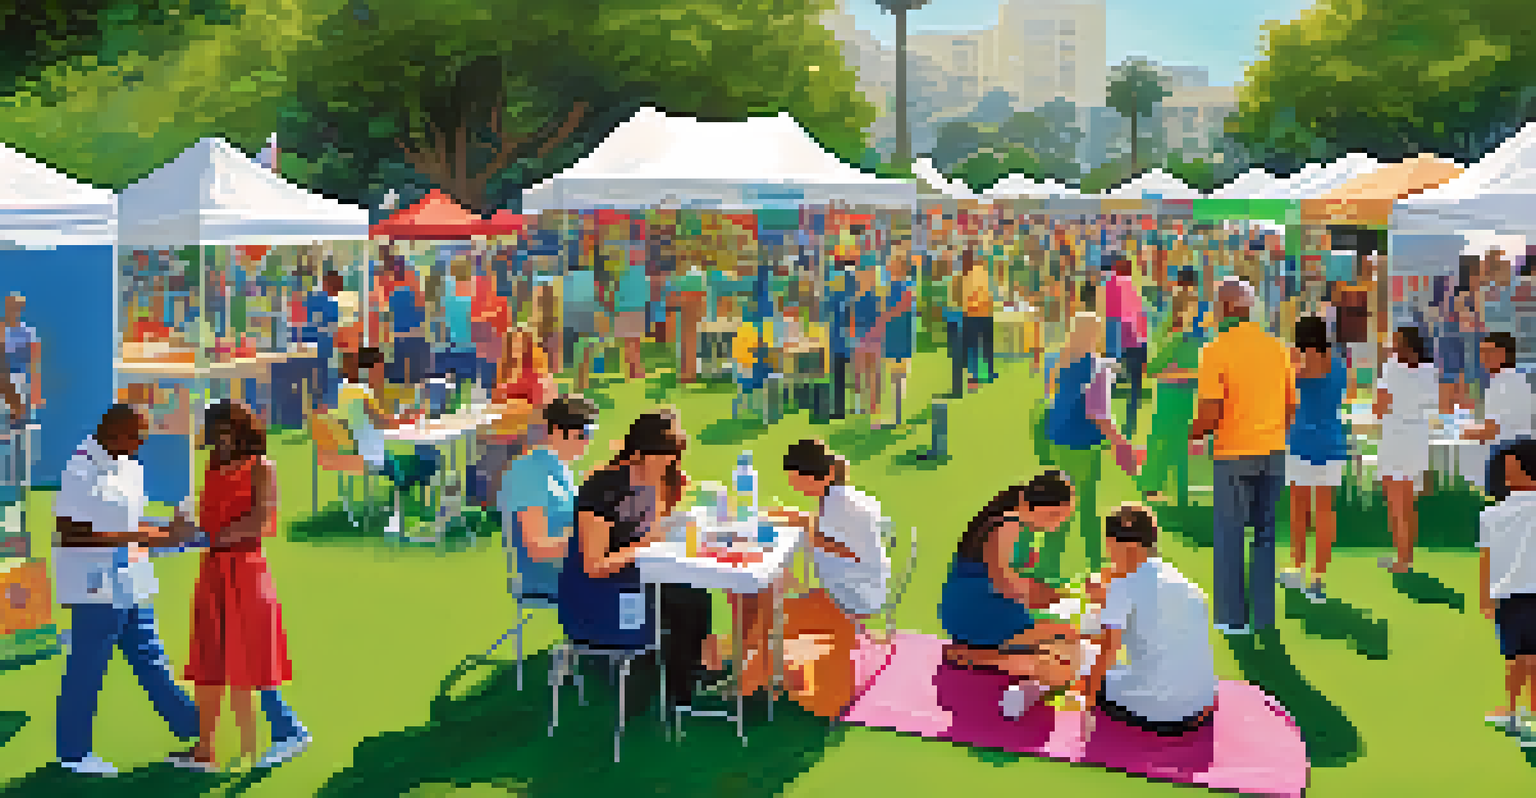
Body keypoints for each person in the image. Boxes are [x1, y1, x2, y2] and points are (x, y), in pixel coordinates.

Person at [51, 406, 200, 775]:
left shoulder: (131, 465)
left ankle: (199, 729)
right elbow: (69, 534)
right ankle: (73, 754)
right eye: (136, 436)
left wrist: (171, 528)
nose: (140, 444)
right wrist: (143, 535)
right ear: (113, 433)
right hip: (94, 586)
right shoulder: (80, 469)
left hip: (132, 578)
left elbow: (131, 521)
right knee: (87, 669)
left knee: (152, 661)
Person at [558, 410, 715, 713]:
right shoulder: (603, 490)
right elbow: (594, 565)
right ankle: (679, 694)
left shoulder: (653, 481)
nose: (672, 463)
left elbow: (650, 530)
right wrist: (645, 544)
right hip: (600, 592)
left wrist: (669, 499)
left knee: (695, 595)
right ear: (639, 452)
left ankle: (686, 679)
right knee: (688, 601)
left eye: (676, 456)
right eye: (666, 455)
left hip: (634, 575)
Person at [171, 401, 296, 772]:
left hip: (245, 570)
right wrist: (184, 528)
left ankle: (268, 741)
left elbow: (260, 522)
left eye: (226, 431)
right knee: (208, 660)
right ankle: (205, 750)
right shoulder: (211, 466)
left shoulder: (261, 468)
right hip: (212, 571)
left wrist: (213, 537)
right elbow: (203, 515)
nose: (220, 440)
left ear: (242, 430)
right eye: (215, 432)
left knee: (250, 662)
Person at [728, 440, 892, 717]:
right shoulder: (839, 496)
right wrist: (799, 519)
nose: (797, 489)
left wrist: (796, 527)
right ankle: (753, 671)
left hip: (849, 596)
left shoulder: (840, 503)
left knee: (766, 610)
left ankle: (747, 684)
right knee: (760, 600)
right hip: (858, 587)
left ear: (823, 476)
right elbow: (828, 531)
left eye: (801, 482)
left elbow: (836, 546)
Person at [939, 472, 1095, 720]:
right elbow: (1006, 585)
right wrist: (1050, 596)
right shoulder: (1009, 525)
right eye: (1057, 515)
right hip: (980, 613)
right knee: (1071, 650)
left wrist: (1050, 591)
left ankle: (978, 654)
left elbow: (1005, 576)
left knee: (1068, 645)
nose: (1060, 523)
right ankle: (979, 656)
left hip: (975, 609)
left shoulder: (1012, 523)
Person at [1188, 278, 1296, 635]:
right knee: (1265, 534)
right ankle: (1264, 617)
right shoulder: (1277, 347)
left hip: (1234, 452)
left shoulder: (1216, 349)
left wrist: (1192, 434)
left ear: (1228, 306)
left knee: (1230, 534)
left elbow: (1210, 409)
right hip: (1273, 451)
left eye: (1217, 303)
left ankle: (1232, 618)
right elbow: (1290, 405)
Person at [1084, 504, 1218, 736]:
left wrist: (1085, 700)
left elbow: (1107, 652)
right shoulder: (1182, 581)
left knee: (1087, 666)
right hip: (1202, 704)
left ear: (1119, 544)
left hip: (1163, 713)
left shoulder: (1122, 587)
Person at [1043, 312, 1135, 582]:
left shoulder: (1059, 359)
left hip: (1058, 439)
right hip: (1084, 444)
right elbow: (1099, 413)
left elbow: (1051, 391)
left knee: (1058, 501)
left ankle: (1048, 564)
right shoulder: (1098, 370)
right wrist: (1122, 444)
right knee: (1085, 507)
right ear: (1096, 335)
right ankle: (1097, 564)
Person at [500, 395, 598, 603]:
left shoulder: (559, 469)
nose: (588, 442)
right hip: (548, 577)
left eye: (590, 434)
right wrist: (598, 542)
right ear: (555, 431)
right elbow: (538, 548)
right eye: (582, 434)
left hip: (574, 566)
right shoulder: (529, 472)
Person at [1282, 316, 1350, 603]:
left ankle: (1298, 567)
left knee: (1299, 509)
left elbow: (1286, 385)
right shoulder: (1339, 364)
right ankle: (1317, 577)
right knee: (1324, 513)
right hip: (1332, 441)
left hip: (1301, 441)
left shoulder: (1298, 364)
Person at [335, 347, 436, 538]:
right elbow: (384, 422)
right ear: (368, 370)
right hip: (374, 457)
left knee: (419, 459)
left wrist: (399, 418)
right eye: (380, 370)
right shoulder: (362, 393)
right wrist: (407, 418)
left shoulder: (344, 391)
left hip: (356, 453)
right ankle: (418, 514)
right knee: (429, 461)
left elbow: (372, 421)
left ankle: (409, 511)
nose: (382, 375)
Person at [1478, 438, 1536, 744]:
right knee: (1526, 658)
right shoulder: (1492, 515)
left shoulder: (1491, 516)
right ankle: (1516, 713)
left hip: (1510, 596)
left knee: (1517, 657)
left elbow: (1486, 560)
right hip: (1517, 594)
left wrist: (1485, 598)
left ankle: (1514, 713)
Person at [1374, 326, 1437, 574]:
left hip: (1395, 437)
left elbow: (1379, 408)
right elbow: (1432, 403)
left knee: (1396, 501)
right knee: (1407, 503)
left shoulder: (1391, 367)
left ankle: (1402, 559)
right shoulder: (1429, 370)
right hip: (1416, 438)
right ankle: (1404, 556)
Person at [1137, 291, 1203, 508]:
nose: (1197, 312)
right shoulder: (1174, 337)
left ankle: (1180, 494)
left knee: (1181, 444)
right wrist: (1189, 374)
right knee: (1162, 442)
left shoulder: (1194, 338)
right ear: (1181, 311)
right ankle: (1151, 488)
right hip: (1170, 396)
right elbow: (1152, 369)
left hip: (1185, 396)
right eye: (1192, 307)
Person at [1463, 333, 1534, 494]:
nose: (1482, 359)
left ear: (1502, 354)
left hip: (1506, 457)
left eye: (1487, 353)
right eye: (1481, 353)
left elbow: (1492, 430)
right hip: (1516, 454)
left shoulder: (1502, 385)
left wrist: (1464, 432)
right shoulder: (1513, 380)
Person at [1105, 258, 1150, 438]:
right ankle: (1130, 426)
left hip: (1120, 343)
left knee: (1107, 386)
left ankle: (1107, 426)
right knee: (1134, 389)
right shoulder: (1135, 291)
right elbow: (1141, 320)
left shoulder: (1111, 286)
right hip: (1136, 343)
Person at [881, 241, 918, 427]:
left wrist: (882, 318)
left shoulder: (905, 287)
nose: (888, 266)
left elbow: (897, 310)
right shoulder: (890, 287)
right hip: (891, 337)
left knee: (898, 377)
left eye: (891, 263)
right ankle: (895, 415)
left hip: (900, 338)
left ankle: (896, 416)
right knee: (893, 377)